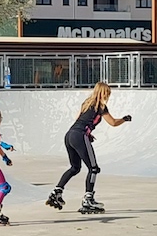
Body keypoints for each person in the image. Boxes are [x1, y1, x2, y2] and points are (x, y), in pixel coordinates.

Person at [46, 81, 131, 215]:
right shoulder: (101, 107)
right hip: (80, 136)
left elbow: (78, 119)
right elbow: (113, 123)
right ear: (103, 93)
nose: (108, 96)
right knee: (93, 168)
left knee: (75, 168)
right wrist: (124, 119)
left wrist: (87, 133)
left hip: (69, 135)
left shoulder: (86, 103)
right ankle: (88, 199)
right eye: (107, 93)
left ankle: (57, 191)